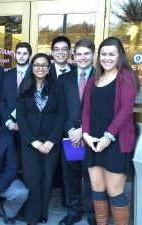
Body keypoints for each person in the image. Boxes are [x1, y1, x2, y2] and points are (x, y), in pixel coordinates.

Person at [82, 37, 139, 225]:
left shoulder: (126, 76)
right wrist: (86, 135)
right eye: (103, 54)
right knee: (97, 187)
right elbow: (86, 110)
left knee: (114, 191)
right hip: (93, 142)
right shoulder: (93, 79)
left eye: (111, 54)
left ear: (119, 55)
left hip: (116, 141)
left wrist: (107, 137)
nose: (107, 58)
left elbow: (126, 111)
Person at [17, 53, 66, 225]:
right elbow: (21, 117)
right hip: (30, 141)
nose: (40, 68)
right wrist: (33, 140)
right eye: (37, 65)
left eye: (44, 65)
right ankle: (32, 215)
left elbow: (61, 116)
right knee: (32, 178)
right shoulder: (24, 86)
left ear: (49, 67)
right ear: (32, 67)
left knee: (47, 179)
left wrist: (52, 140)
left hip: (50, 141)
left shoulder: (57, 87)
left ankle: (43, 213)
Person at [58, 39, 96, 225]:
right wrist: (71, 130)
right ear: (74, 55)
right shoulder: (64, 79)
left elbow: (102, 111)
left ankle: (91, 214)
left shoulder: (101, 77)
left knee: (91, 178)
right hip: (70, 137)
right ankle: (74, 211)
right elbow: (60, 109)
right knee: (71, 177)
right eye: (79, 54)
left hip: (91, 137)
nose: (82, 57)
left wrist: (83, 130)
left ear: (93, 55)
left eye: (86, 54)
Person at [50, 36, 76, 207]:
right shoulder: (43, 69)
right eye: (57, 49)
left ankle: (70, 204)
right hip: (49, 130)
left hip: (71, 131)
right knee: (49, 168)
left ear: (69, 52)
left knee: (71, 169)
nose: (60, 52)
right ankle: (45, 202)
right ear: (52, 52)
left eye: (64, 49)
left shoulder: (75, 72)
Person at [0, 42, 32, 133]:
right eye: (19, 53)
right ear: (15, 55)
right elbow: (1, 101)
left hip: (29, 126)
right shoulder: (7, 75)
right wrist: (9, 122)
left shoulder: (35, 74)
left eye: (24, 53)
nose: (21, 56)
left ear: (30, 55)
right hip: (9, 126)